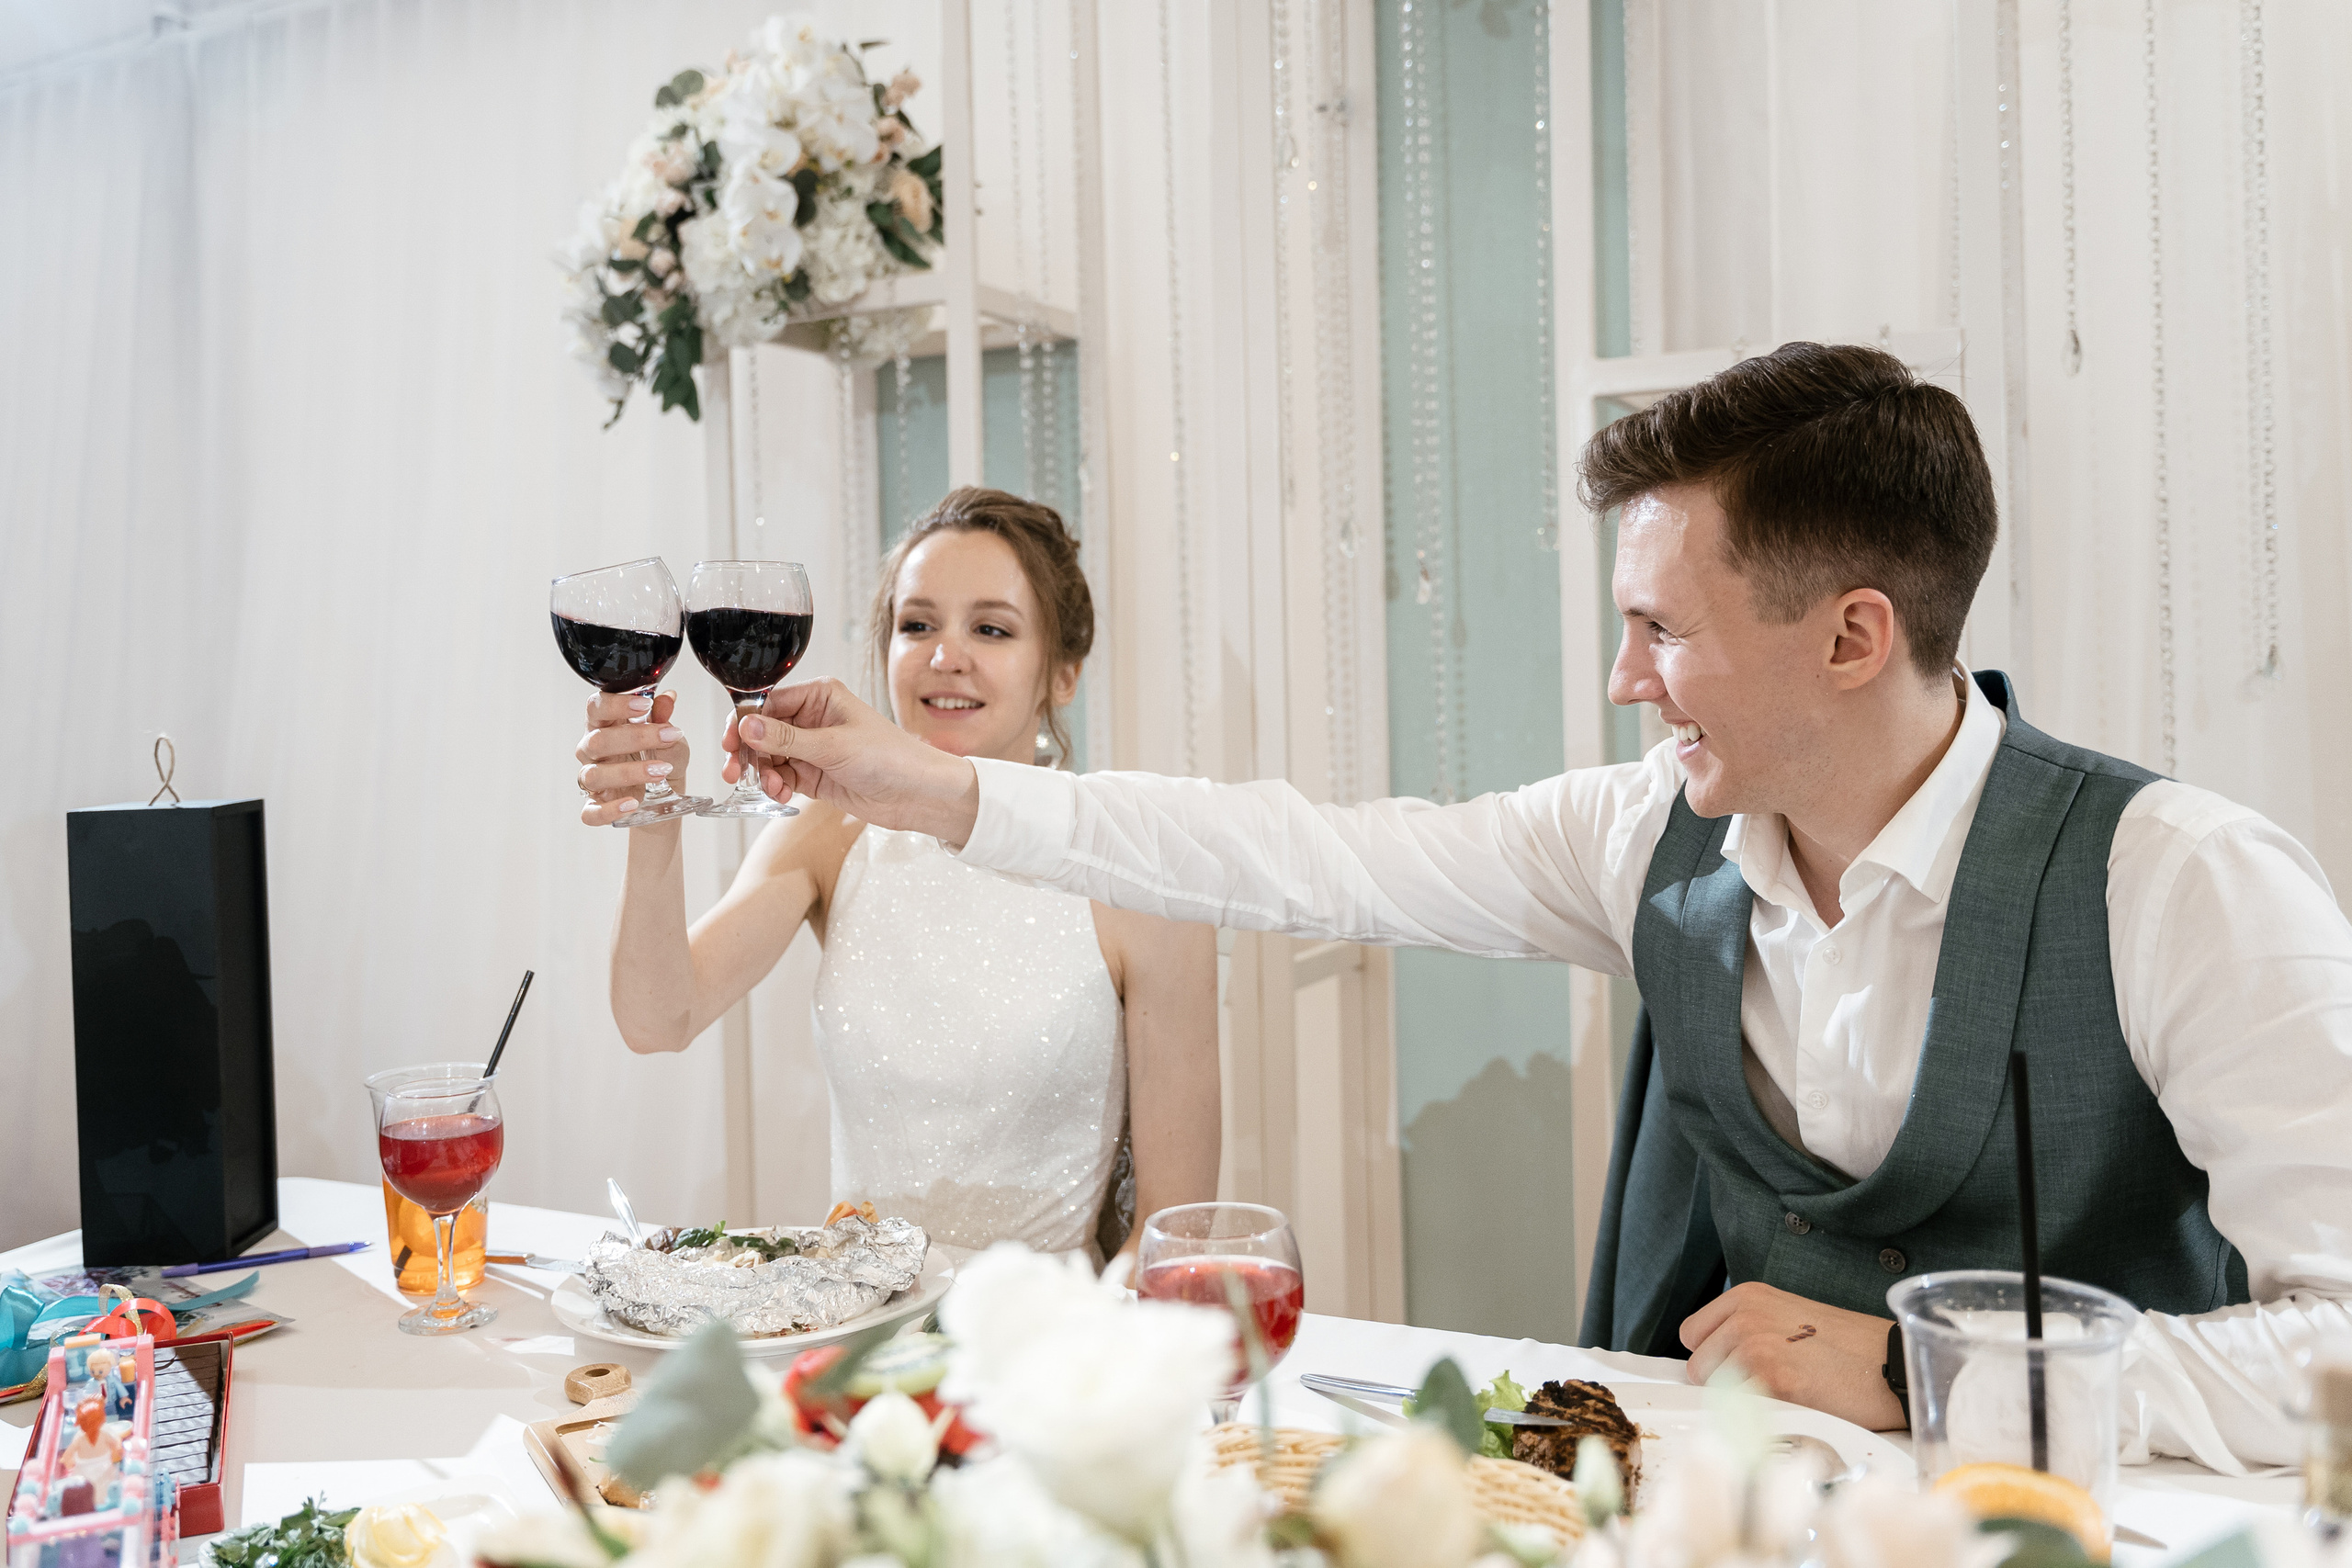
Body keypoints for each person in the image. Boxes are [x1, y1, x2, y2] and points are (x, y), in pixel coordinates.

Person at [724, 344, 2352, 1471]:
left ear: (1853, 636)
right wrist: (929, 791)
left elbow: (2338, 1352)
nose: (1625, 679)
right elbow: (1306, 853)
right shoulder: (1646, 833)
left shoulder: (2185, 882)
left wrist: (1926, 1368)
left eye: (1664, 629)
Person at [572, 488, 1219, 1263]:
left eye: (991, 627)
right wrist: (654, 810)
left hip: (1047, 1352)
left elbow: (1174, 1234)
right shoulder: (830, 834)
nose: (946, 655)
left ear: (1064, 674)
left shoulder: (1136, 870)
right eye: (917, 625)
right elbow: (657, 1017)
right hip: (854, 1342)